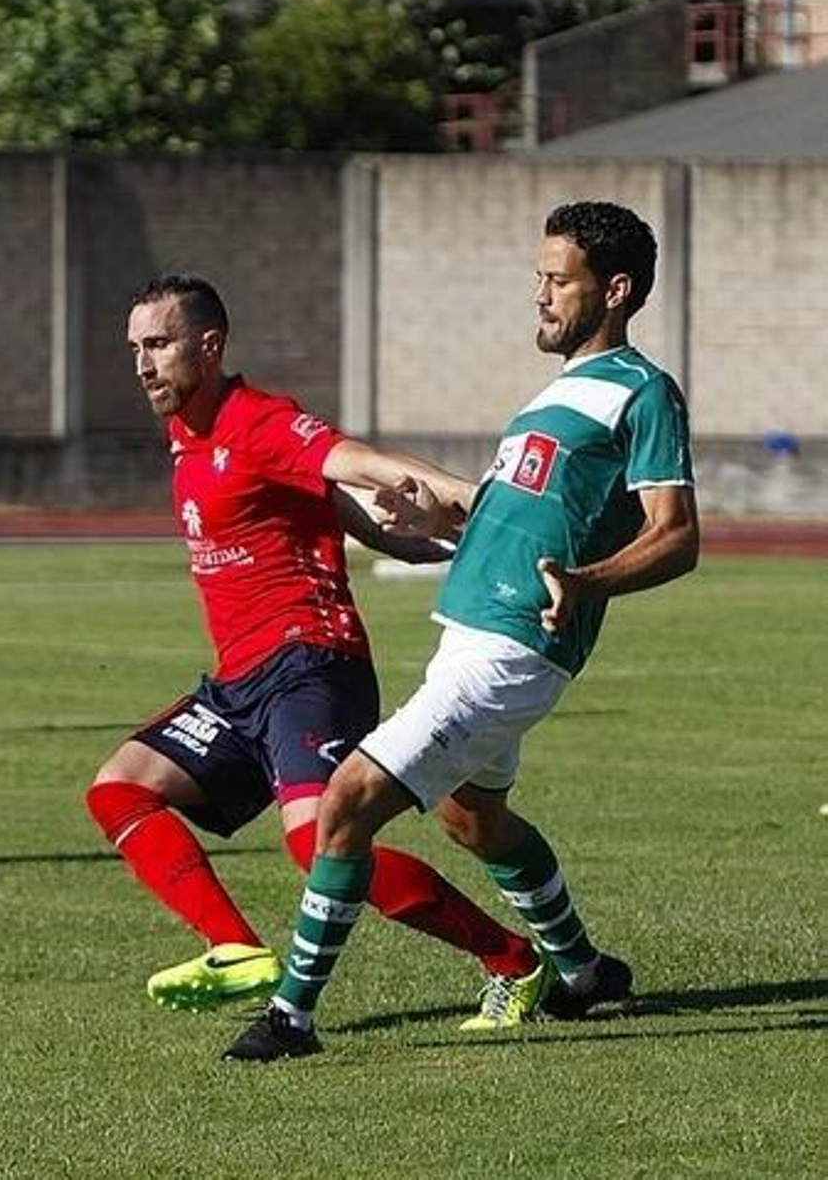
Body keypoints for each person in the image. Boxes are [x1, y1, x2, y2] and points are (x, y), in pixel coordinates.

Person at [225, 200, 700, 1061]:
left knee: (346, 802)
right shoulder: (551, 397)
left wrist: (586, 582)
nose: (540, 294)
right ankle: (582, 970)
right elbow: (515, 520)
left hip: (514, 647)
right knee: (472, 814)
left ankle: (291, 1016)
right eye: (539, 277)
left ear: (616, 290)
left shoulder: (642, 391)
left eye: (559, 280)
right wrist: (436, 523)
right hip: (472, 633)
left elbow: (677, 535)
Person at [88, 274, 551, 1027]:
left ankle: (513, 959)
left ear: (210, 346)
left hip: (311, 666)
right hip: (240, 683)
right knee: (120, 788)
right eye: (135, 347)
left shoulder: (258, 421)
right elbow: (345, 515)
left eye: (160, 344)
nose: (143, 363)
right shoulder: (187, 435)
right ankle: (235, 947)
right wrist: (404, 538)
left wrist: (484, 506)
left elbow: (358, 463)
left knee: (319, 844)